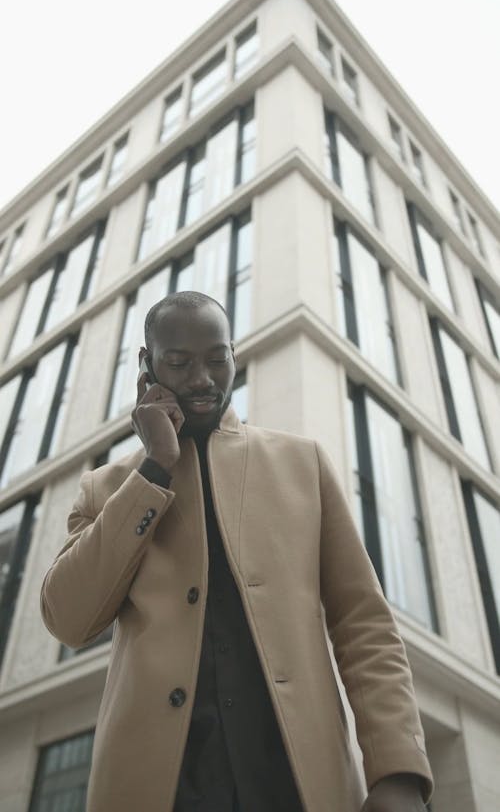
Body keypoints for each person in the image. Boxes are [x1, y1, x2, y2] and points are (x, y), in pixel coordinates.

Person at [40, 291, 434, 812]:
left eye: (216, 358)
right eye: (178, 363)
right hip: (163, 789)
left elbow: (364, 624)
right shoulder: (105, 488)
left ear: (234, 354)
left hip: (293, 779)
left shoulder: (303, 464)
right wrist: (154, 466)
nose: (201, 379)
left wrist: (397, 772)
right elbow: (68, 619)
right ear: (146, 365)